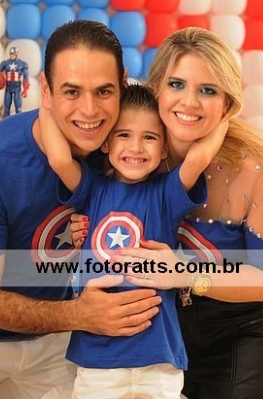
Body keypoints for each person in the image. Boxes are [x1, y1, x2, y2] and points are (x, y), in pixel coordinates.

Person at [0, 21, 162, 399]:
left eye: (104, 91)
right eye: (72, 91)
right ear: (46, 90)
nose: (90, 110)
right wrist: (81, 315)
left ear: (123, 85)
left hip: (52, 335)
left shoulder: (124, 152)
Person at [72, 27, 263, 398]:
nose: (189, 102)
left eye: (208, 90)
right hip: (158, 339)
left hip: (244, 336)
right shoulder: (129, 149)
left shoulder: (255, 169)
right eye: (176, 84)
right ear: (156, 89)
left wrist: (183, 272)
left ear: (227, 103)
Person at [39, 83, 227, 398]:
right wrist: (47, 100)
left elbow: (200, 156)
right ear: (105, 142)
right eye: (124, 134)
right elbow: (59, 159)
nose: (136, 147)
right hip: (99, 359)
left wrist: (228, 108)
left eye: (149, 137)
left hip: (158, 357)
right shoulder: (92, 189)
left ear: (164, 147)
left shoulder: (165, 194)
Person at [0, 46, 30, 117]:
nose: (12, 55)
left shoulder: (22, 64)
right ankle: (6, 121)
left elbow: (26, 77)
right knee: (6, 108)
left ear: (16, 54)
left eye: (13, 54)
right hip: (8, 87)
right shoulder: (5, 63)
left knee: (18, 108)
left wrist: (25, 89)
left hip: (17, 88)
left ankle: (18, 121)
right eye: (11, 54)